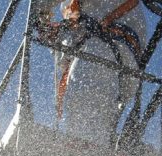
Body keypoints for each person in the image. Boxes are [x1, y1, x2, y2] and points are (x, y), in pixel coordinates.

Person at [36, 0, 147, 143]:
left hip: (105, 51)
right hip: (106, 61)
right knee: (80, 112)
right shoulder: (75, 9)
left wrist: (41, 11)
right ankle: (88, 154)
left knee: (84, 101)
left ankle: (84, 155)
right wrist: (54, 31)